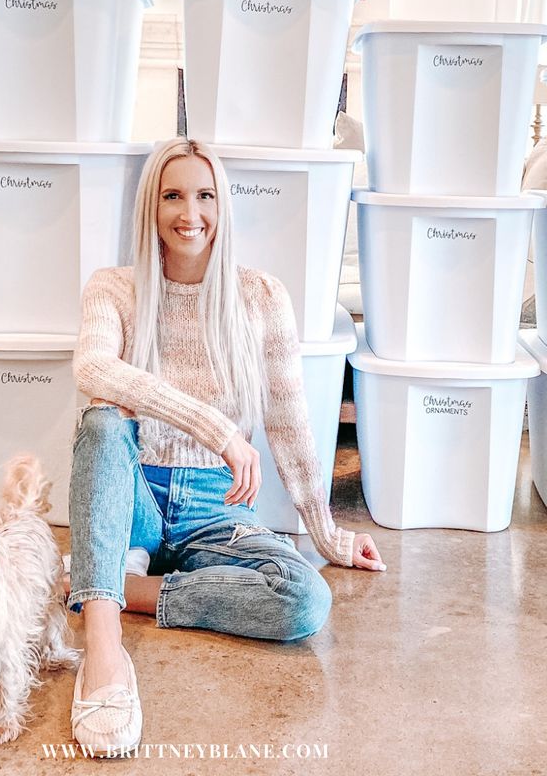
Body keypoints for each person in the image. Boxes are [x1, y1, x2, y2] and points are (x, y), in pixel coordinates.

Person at [67, 137, 384, 755]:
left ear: (223, 204)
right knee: (103, 423)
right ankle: (102, 650)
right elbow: (93, 369)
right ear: (151, 207)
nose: (191, 213)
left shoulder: (261, 297)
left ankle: (117, 586)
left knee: (302, 600)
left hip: (215, 505)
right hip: (133, 490)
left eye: (205, 195)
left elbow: (291, 424)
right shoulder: (114, 288)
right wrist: (217, 430)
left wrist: (325, 534)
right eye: (173, 195)